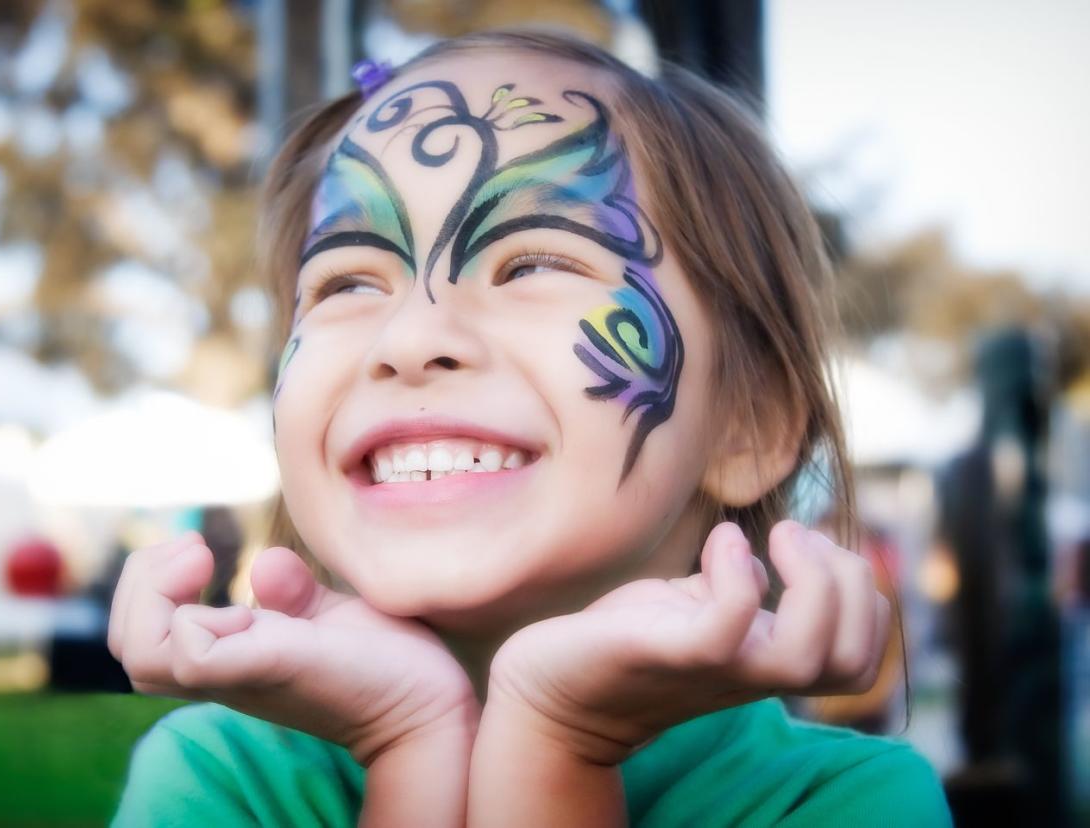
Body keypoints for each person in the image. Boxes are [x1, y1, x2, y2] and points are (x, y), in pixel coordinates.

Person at [108, 29, 952, 826]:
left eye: (534, 262)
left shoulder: (845, 803)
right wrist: (411, 738)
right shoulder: (216, 780)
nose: (410, 338)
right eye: (347, 284)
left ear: (749, 424)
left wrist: (559, 745)